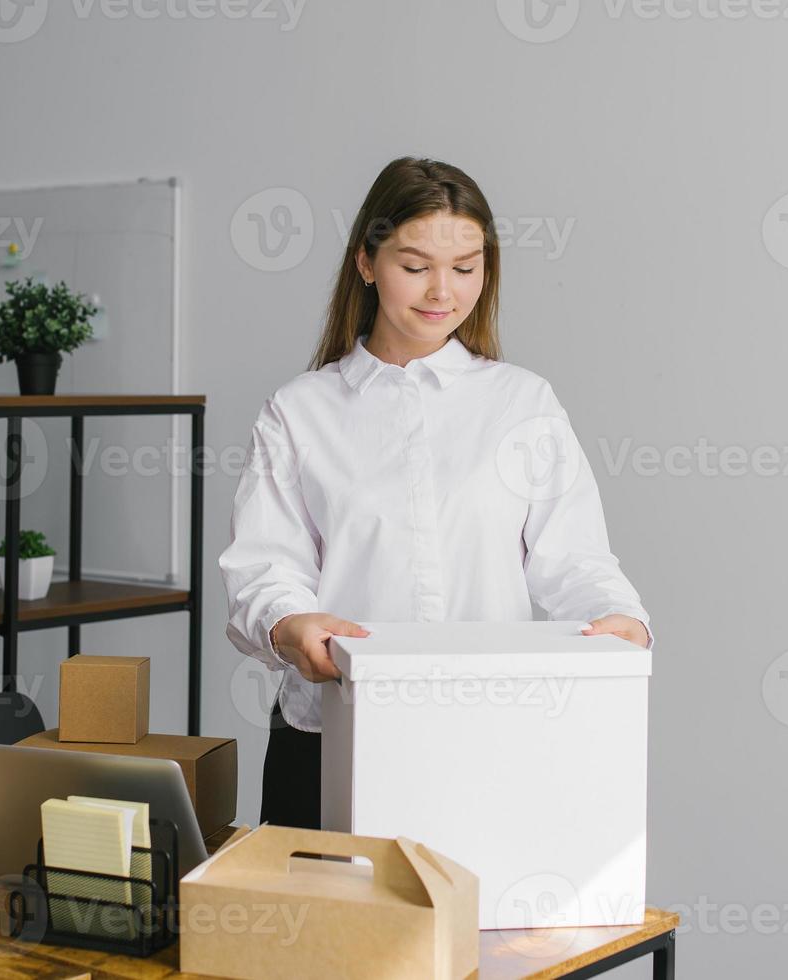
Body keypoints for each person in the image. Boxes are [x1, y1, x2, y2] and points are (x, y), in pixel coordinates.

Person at [219, 157, 653, 830]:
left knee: (481, 932)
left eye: (465, 267)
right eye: (415, 266)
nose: (441, 291)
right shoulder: (299, 411)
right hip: (332, 734)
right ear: (366, 261)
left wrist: (618, 616)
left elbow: (574, 559)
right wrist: (288, 622)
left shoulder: (521, 403)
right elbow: (264, 566)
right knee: (328, 930)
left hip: (485, 732)